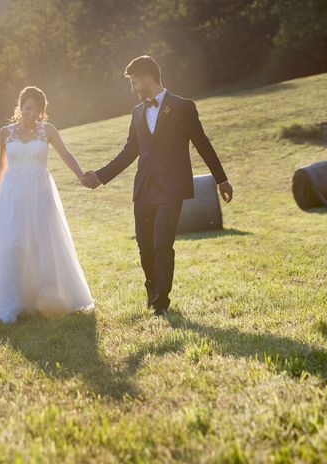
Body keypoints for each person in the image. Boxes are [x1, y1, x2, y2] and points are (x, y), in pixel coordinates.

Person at [82, 55, 233, 316]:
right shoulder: (137, 112)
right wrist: (100, 176)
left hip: (171, 187)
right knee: (145, 245)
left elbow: (202, 144)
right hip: (144, 188)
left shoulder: (183, 107)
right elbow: (130, 151)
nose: (132, 89)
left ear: (148, 79)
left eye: (134, 82)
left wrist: (221, 178)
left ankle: (161, 303)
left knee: (163, 243)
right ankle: (152, 293)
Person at [0, 86, 94, 323]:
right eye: (28, 108)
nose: (32, 114)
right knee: (12, 244)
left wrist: (81, 175)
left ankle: (49, 299)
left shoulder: (48, 131)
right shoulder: (6, 132)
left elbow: (66, 154)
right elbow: (1, 164)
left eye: (37, 110)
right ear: (20, 106)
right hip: (12, 194)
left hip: (40, 193)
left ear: (42, 112)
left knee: (42, 243)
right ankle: (11, 303)